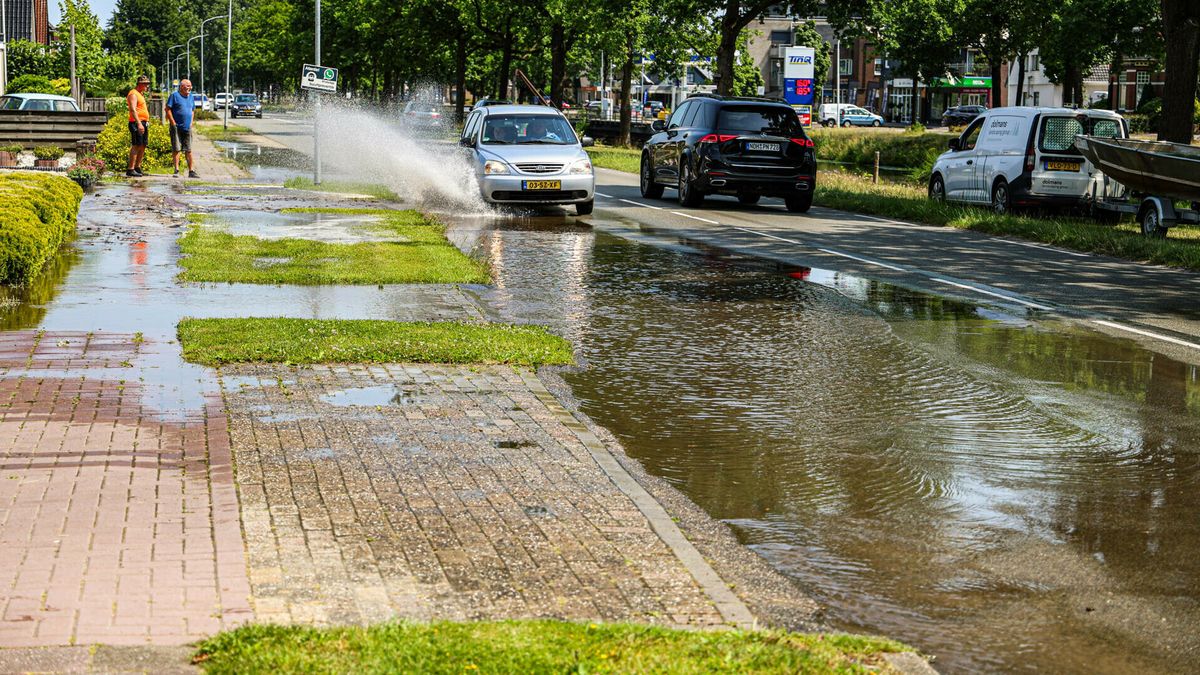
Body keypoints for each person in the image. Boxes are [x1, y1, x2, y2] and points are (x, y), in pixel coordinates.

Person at [166, 79, 199, 178]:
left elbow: (192, 110)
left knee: (188, 149)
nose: (190, 88)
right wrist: (173, 123)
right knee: (176, 149)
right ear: (181, 86)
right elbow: (167, 109)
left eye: (190, 86)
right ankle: (176, 170)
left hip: (187, 127)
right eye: (188, 86)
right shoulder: (174, 96)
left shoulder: (191, 97)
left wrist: (191, 123)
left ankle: (191, 171)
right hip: (176, 127)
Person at [126, 75, 151, 177]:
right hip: (136, 123)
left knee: (143, 145)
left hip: (143, 122)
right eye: (145, 84)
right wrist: (139, 123)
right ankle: (130, 169)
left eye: (147, 84)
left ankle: (137, 167)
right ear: (140, 84)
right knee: (136, 145)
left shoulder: (140, 94)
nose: (147, 86)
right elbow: (133, 109)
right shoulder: (133, 94)